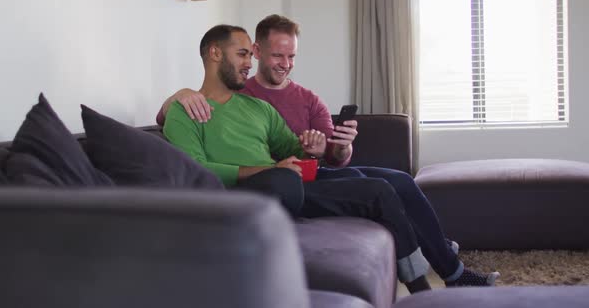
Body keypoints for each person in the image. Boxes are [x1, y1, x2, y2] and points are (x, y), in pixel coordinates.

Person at [162, 23, 499, 293]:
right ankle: (433, 271)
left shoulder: (259, 107)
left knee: (382, 187)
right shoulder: (186, 109)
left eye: (250, 55)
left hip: (290, 180)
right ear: (214, 53)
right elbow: (193, 170)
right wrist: (177, 97)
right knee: (286, 179)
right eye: (243, 54)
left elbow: (293, 151)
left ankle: (424, 285)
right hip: (254, 193)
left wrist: (314, 147)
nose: (249, 62)